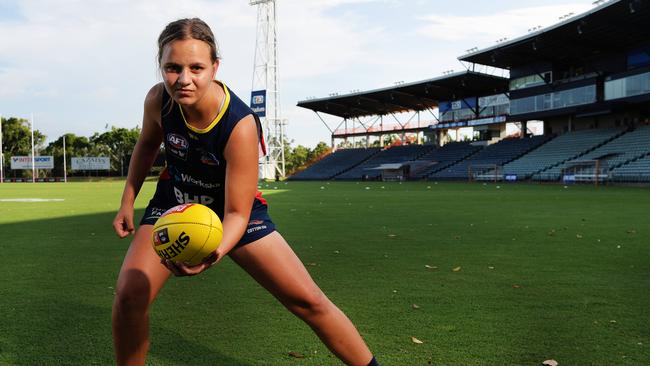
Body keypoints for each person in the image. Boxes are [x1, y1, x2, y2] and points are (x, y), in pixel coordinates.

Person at [111, 18, 379, 366]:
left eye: (196, 67)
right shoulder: (158, 100)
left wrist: (213, 251)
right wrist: (126, 203)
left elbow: (237, 213)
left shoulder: (239, 124)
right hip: (174, 203)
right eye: (172, 68)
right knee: (129, 297)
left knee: (307, 301)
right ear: (161, 67)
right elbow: (147, 146)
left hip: (235, 213)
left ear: (215, 67)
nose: (184, 79)